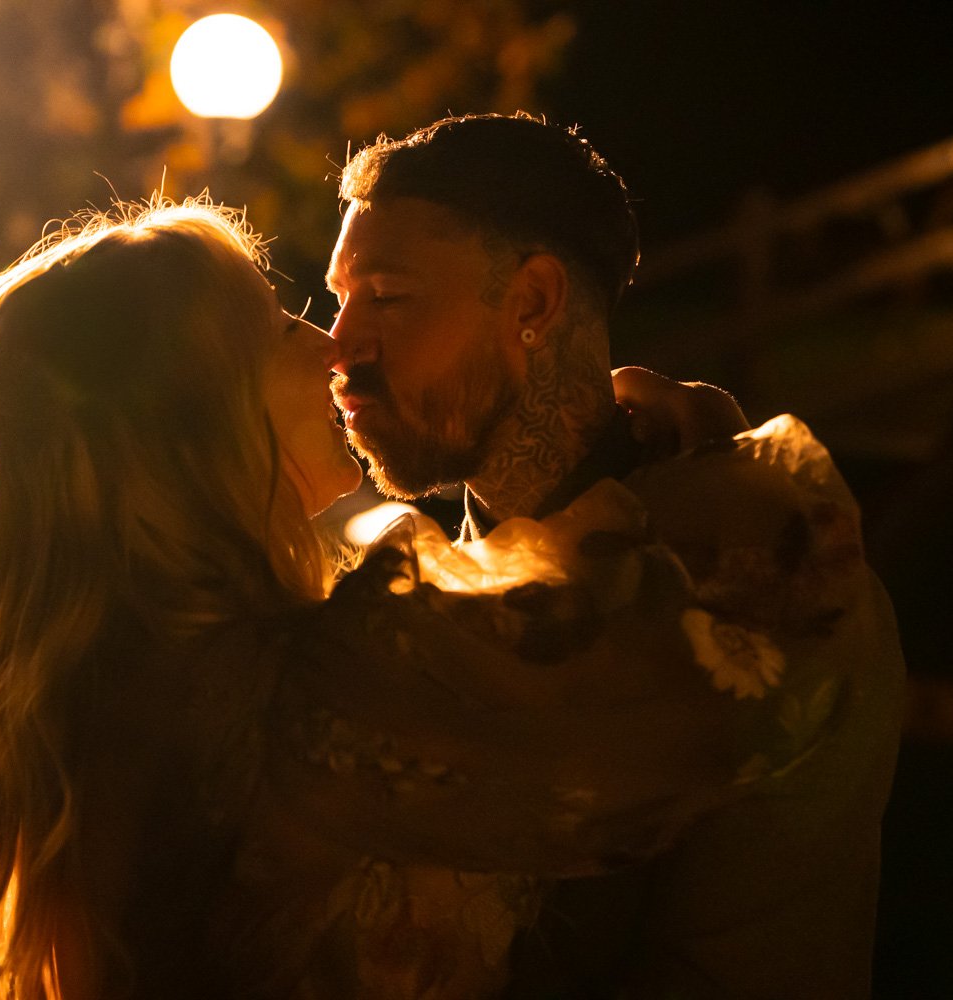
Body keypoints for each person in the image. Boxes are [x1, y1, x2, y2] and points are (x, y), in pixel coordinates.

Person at [0, 198, 862, 999]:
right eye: (282, 324)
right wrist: (718, 462)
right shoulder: (299, 700)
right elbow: (722, 649)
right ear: (202, 412)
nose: (331, 347)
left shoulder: (117, 684)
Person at [327, 112, 907, 997]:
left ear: (531, 302)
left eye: (387, 296)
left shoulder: (751, 579)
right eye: (339, 299)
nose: (341, 346)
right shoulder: (457, 579)